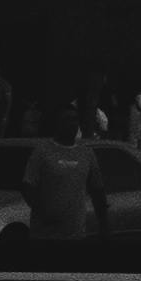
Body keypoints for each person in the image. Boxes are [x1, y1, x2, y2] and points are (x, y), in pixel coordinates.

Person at [22, 102, 105, 244]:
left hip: (75, 234)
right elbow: (28, 187)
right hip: (45, 234)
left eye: (75, 119)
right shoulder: (42, 152)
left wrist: (104, 226)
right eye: (67, 119)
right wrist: (43, 212)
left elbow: (97, 191)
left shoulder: (86, 153)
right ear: (58, 123)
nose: (72, 124)